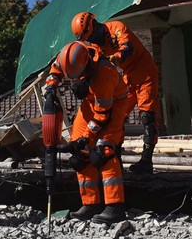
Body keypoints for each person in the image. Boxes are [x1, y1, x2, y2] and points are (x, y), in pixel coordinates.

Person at [44, 40, 129, 224]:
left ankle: (115, 207)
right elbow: (57, 67)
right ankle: (91, 204)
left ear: (87, 65)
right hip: (91, 102)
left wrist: (86, 138)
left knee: (103, 150)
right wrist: (51, 84)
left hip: (113, 105)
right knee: (78, 156)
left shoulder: (104, 74)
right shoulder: (70, 55)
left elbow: (102, 116)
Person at [70, 11, 162, 174]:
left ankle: (146, 161)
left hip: (145, 72)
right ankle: (115, 157)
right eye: (88, 39)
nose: (92, 41)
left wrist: (114, 59)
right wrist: (81, 82)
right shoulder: (95, 45)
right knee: (116, 116)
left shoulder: (117, 28)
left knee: (147, 116)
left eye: (92, 36)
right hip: (128, 76)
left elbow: (127, 47)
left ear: (95, 25)